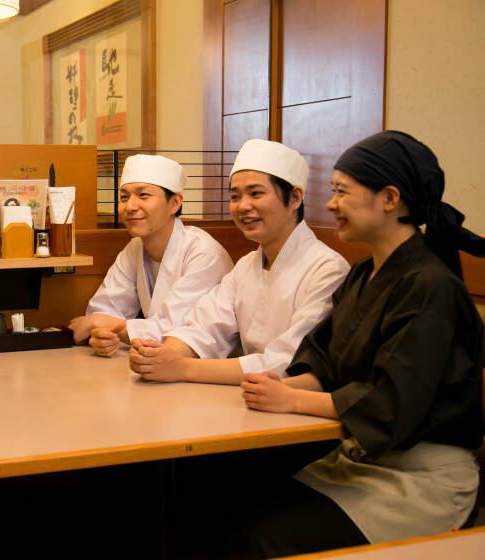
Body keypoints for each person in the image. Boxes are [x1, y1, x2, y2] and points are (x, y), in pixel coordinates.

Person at [240, 130, 484, 558]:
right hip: (361, 458)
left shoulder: (430, 286)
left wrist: (291, 402)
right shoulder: (362, 274)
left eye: (341, 192)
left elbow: (392, 402)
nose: (331, 204)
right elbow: (323, 358)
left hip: (419, 478)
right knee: (228, 500)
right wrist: (277, 388)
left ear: (389, 199)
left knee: (270, 536)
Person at [129, 139, 350, 385]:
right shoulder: (246, 265)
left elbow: (288, 362)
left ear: (295, 198)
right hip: (247, 396)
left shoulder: (327, 269)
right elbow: (205, 326)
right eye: (235, 196)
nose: (243, 206)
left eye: (256, 193)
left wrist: (182, 368)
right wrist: (162, 356)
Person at [69, 154, 232, 356]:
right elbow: (105, 308)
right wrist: (103, 336)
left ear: (175, 203)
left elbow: (177, 331)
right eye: (124, 197)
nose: (130, 206)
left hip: (209, 369)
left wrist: (110, 326)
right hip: (155, 365)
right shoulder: (135, 248)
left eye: (143, 195)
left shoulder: (203, 252)